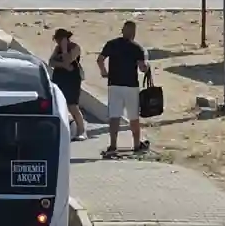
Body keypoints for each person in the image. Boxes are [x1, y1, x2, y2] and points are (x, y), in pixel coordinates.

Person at [97, 20, 151, 156]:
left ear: (122, 30)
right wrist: (147, 65)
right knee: (133, 116)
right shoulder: (136, 47)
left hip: (114, 84)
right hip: (131, 86)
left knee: (114, 115)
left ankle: (113, 145)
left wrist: (104, 71)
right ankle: (137, 145)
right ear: (133, 32)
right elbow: (142, 68)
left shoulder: (112, 44)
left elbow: (100, 59)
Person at [49, 28, 87, 141]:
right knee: (58, 104)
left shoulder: (75, 48)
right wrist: (63, 65)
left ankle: (82, 130)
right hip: (60, 77)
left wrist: (65, 50)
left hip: (72, 79)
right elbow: (51, 62)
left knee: (72, 105)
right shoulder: (57, 49)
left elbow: (68, 61)